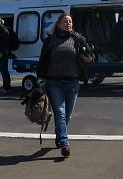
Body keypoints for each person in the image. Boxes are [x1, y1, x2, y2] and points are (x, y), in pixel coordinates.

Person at [36, 13, 93, 157]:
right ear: (58, 24)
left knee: (67, 115)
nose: (68, 23)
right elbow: (42, 61)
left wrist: (87, 57)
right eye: (65, 21)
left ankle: (59, 135)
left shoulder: (78, 39)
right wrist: (40, 78)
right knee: (60, 113)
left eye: (70, 22)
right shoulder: (50, 41)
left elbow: (90, 57)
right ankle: (64, 143)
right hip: (54, 83)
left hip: (72, 83)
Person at [0, 17, 12, 93]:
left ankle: (7, 88)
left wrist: (0, 52)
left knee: (4, 70)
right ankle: (6, 86)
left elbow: (5, 43)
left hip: (3, 54)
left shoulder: (3, 30)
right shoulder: (0, 30)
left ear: (1, 22)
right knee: (3, 70)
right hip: (2, 53)